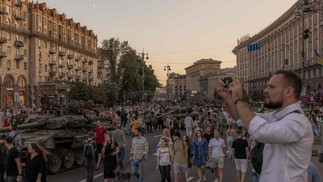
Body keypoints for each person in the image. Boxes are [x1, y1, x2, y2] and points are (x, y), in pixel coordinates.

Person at [217, 70, 314, 181]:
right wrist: (227, 98)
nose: (265, 90)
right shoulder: (275, 117)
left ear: (288, 92)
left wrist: (239, 100)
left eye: (271, 87)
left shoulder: (298, 122)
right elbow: (241, 119)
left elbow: (262, 132)